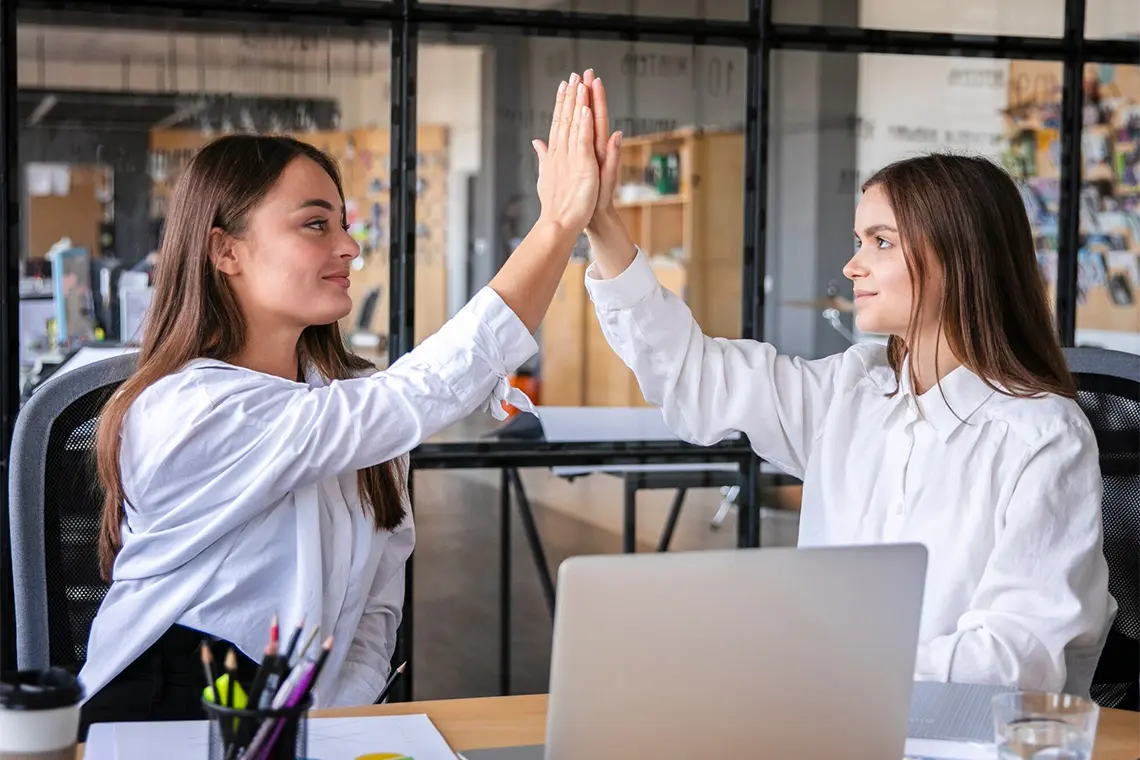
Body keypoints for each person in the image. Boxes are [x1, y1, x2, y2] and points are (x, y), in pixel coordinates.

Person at [78, 72, 602, 736]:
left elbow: (375, 609)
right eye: (316, 225)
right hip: (164, 725)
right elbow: (423, 391)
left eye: (345, 226)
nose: (350, 248)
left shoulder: (346, 407)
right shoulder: (187, 411)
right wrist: (557, 226)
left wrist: (335, 727)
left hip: (298, 731)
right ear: (224, 250)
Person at [573, 73, 1115, 696]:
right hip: (829, 719)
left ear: (962, 258)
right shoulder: (853, 391)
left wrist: (819, 667)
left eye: (881, 243)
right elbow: (696, 375)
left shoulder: (1041, 436)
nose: (852, 264)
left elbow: (1015, 658)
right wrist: (602, 224)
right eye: (858, 241)